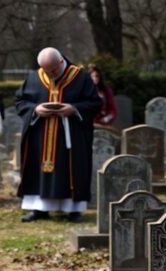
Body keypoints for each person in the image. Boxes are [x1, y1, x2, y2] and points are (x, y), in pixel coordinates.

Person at [14, 48, 102, 222]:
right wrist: (35, 109)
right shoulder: (34, 77)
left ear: (61, 61)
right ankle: (39, 209)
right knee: (38, 170)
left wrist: (74, 109)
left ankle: (73, 209)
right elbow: (20, 101)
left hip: (70, 136)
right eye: (46, 71)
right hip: (40, 135)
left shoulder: (81, 77)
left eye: (53, 70)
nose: (50, 75)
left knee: (70, 169)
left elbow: (95, 103)